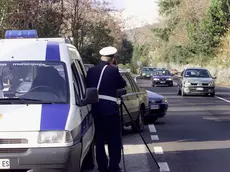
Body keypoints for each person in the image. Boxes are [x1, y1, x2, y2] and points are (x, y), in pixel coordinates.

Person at [86, 46, 126, 172]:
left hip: (96, 109)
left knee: (99, 140)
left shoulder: (91, 71)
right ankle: (114, 166)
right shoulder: (112, 70)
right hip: (110, 110)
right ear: (112, 58)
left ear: (101, 57)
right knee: (114, 139)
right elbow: (122, 84)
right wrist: (116, 69)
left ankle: (102, 166)